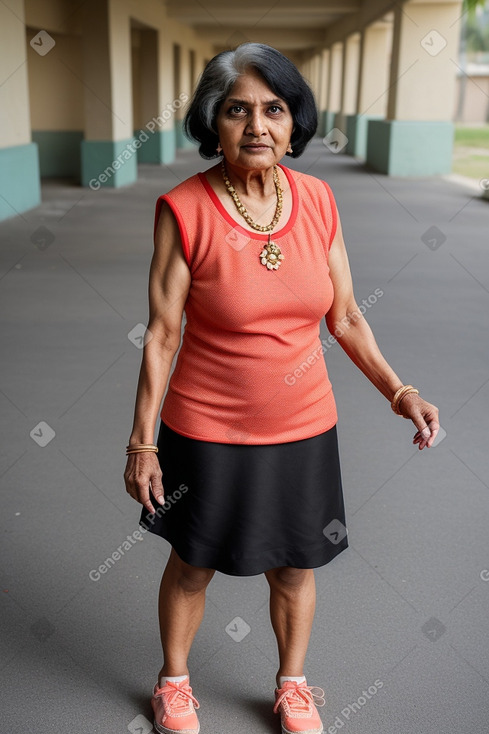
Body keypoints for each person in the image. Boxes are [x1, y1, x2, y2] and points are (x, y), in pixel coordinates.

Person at [124, 42, 439, 734]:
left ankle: (292, 685)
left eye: (273, 109)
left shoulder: (318, 201)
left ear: (294, 120)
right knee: (193, 563)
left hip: (301, 425)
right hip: (206, 428)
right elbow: (161, 334)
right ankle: (173, 683)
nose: (257, 126)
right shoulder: (185, 208)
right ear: (214, 121)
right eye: (238, 111)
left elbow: (346, 315)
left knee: (295, 568)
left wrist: (398, 390)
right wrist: (142, 443)